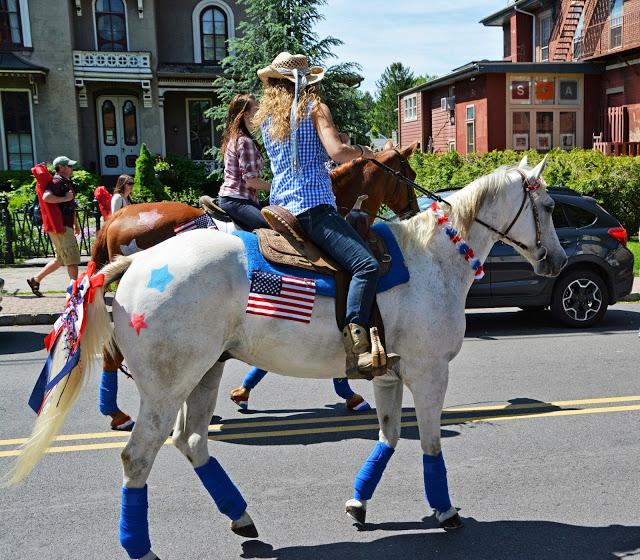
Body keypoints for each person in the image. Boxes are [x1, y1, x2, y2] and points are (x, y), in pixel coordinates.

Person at [253, 51, 399, 378]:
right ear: (303, 83)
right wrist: (365, 152)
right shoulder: (314, 108)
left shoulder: (267, 119)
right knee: (366, 264)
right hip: (313, 207)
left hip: (280, 205)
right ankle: (356, 343)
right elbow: (336, 152)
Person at [27, 156, 81, 297]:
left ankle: (35, 279)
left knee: (61, 259)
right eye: (69, 166)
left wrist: (75, 224)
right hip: (61, 227)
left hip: (62, 226)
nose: (72, 168)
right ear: (61, 168)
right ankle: (74, 291)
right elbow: (47, 197)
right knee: (72, 258)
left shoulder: (64, 182)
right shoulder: (57, 181)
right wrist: (66, 198)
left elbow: (69, 206)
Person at [217, 94, 271, 230]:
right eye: (256, 110)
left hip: (238, 198)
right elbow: (252, 181)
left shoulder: (238, 138)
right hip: (237, 200)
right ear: (246, 115)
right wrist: (276, 187)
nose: (260, 113)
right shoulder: (244, 141)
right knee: (271, 228)